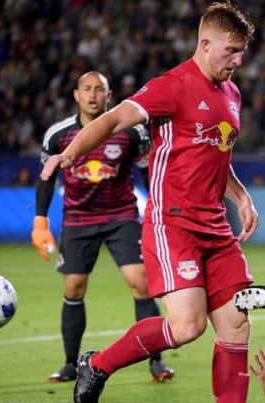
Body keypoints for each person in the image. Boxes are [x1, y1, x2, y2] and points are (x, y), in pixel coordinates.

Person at [39, 4, 257, 403]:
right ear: (205, 44)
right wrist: (69, 155)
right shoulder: (171, 86)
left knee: (237, 326)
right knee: (187, 326)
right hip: (174, 224)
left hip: (217, 230)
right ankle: (99, 364)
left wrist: (241, 196)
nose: (239, 59)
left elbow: (215, 153)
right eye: (232, 50)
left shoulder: (232, 92)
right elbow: (110, 122)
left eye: (243, 50)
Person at [32, 71, 174, 384]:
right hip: (78, 220)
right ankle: (71, 363)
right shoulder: (58, 134)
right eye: (87, 89)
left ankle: (156, 361)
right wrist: (40, 220)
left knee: (140, 284)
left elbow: (149, 172)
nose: (93, 95)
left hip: (121, 217)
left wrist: (158, 207)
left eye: (100, 89)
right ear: (76, 95)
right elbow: (46, 178)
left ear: (109, 96)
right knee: (74, 288)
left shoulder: (133, 132)